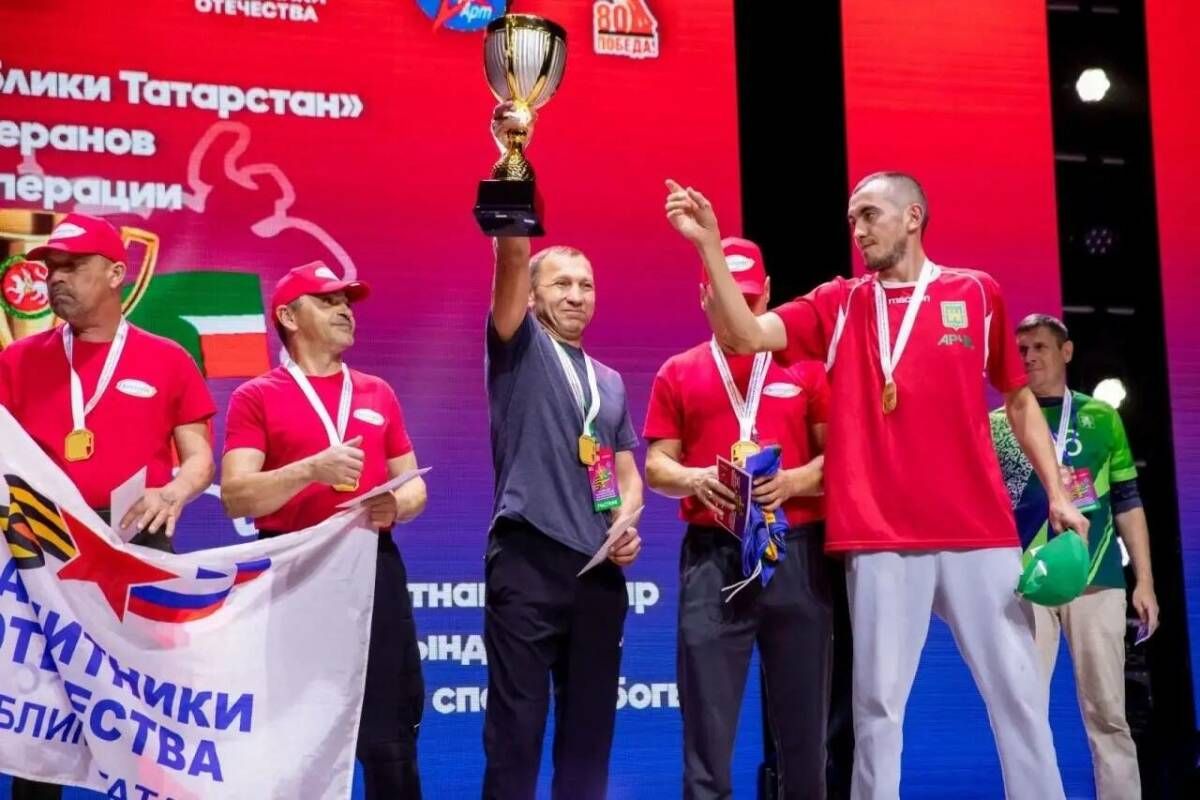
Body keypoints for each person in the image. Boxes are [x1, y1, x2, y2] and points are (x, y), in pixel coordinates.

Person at [664, 172, 1090, 799]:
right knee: (878, 714)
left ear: (912, 216)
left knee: (1020, 698)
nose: (857, 230)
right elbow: (747, 334)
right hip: (880, 536)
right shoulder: (839, 303)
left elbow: (1018, 399)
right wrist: (707, 245)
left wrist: (1058, 492)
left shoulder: (976, 292)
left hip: (979, 531)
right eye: (851, 219)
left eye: (869, 215)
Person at [0, 213, 216, 800]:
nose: (56, 277)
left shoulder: (168, 358)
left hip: (137, 546)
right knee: (41, 711)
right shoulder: (17, 361)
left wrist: (174, 491)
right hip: (43, 551)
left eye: (73, 266)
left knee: (146, 709)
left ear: (117, 273)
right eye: (51, 267)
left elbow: (199, 458)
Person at [220, 261, 428, 799]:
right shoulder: (256, 396)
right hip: (294, 571)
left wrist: (396, 506)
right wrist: (310, 470)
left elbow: (415, 486)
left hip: (371, 567)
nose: (345, 311)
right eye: (328, 300)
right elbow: (237, 495)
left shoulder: (377, 392)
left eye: (347, 302)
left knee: (390, 731)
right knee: (295, 732)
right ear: (289, 317)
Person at [643, 236, 833, 799]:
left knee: (805, 737)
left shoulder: (806, 368)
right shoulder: (678, 372)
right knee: (707, 734)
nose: (737, 310)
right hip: (714, 558)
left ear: (767, 293)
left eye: (749, 299)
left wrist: (793, 481)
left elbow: (838, 459)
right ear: (704, 294)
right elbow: (656, 465)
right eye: (726, 296)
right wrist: (696, 478)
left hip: (794, 550)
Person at [483, 226, 643, 799]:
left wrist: (625, 521)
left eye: (586, 285)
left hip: (597, 572)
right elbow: (512, 259)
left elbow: (627, 475)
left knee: (588, 740)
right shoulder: (517, 344)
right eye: (561, 284)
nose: (576, 295)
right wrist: (514, 213)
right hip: (528, 558)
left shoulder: (610, 382)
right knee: (516, 734)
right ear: (531, 295)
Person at [991, 313, 1158, 799]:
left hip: (1096, 578)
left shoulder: (1101, 417)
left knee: (1107, 713)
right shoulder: (1000, 423)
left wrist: (1145, 581)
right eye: (1022, 350)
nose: (1029, 357)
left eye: (1040, 347)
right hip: (1027, 583)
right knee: (1023, 711)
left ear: (1066, 352)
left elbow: (1127, 500)